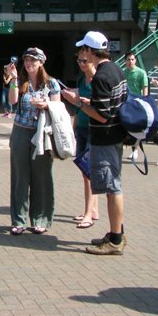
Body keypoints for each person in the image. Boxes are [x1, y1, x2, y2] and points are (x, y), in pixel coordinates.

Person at [74, 31, 129, 255]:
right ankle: (117, 232)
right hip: (116, 136)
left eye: (83, 49)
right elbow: (111, 105)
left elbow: (102, 115)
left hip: (105, 138)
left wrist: (78, 103)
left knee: (112, 187)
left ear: (90, 50)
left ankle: (115, 239)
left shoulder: (101, 76)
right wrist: (91, 102)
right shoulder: (117, 70)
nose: (82, 54)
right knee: (113, 185)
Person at [6, 47, 61, 235]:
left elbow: (58, 108)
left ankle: (41, 219)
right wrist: (13, 78)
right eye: (26, 60)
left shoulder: (52, 83)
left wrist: (46, 105)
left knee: (42, 177)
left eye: (33, 60)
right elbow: (12, 101)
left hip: (42, 133)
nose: (29, 64)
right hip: (21, 131)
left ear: (41, 62)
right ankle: (18, 220)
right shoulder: (21, 82)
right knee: (20, 177)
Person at [61, 52, 99, 229]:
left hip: (96, 129)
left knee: (88, 172)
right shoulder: (80, 80)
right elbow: (77, 108)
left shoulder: (99, 81)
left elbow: (101, 105)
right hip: (83, 127)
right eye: (79, 61)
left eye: (85, 61)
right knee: (86, 171)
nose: (82, 64)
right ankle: (94, 209)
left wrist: (85, 101)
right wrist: (73, 127)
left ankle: (87, 214)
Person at [123, 51, 148, 162]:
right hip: (126, 103)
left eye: (132, 59)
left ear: (135, 60)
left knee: (136, 127)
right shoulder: (123, 73)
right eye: (128, 60)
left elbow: (145, 88)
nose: (130, 62)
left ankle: (135, 150)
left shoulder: (141, 73)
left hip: (137, 103)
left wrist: (145, 101)